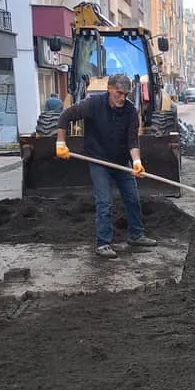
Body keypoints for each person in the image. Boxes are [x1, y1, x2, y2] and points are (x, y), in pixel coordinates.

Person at [55, 73, 157, 260]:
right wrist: (60, 143)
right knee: (105, 202)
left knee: (133, 198)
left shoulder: (130, 111)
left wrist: (136, 162)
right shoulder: (92, 104)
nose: (122, 97)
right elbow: (65, 116)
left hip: (120, 162)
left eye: (125, 94)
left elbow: (132, 141)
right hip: (98, 160)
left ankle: (136, 235)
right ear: (109, 88)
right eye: (119, 93)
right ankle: (103, 244)